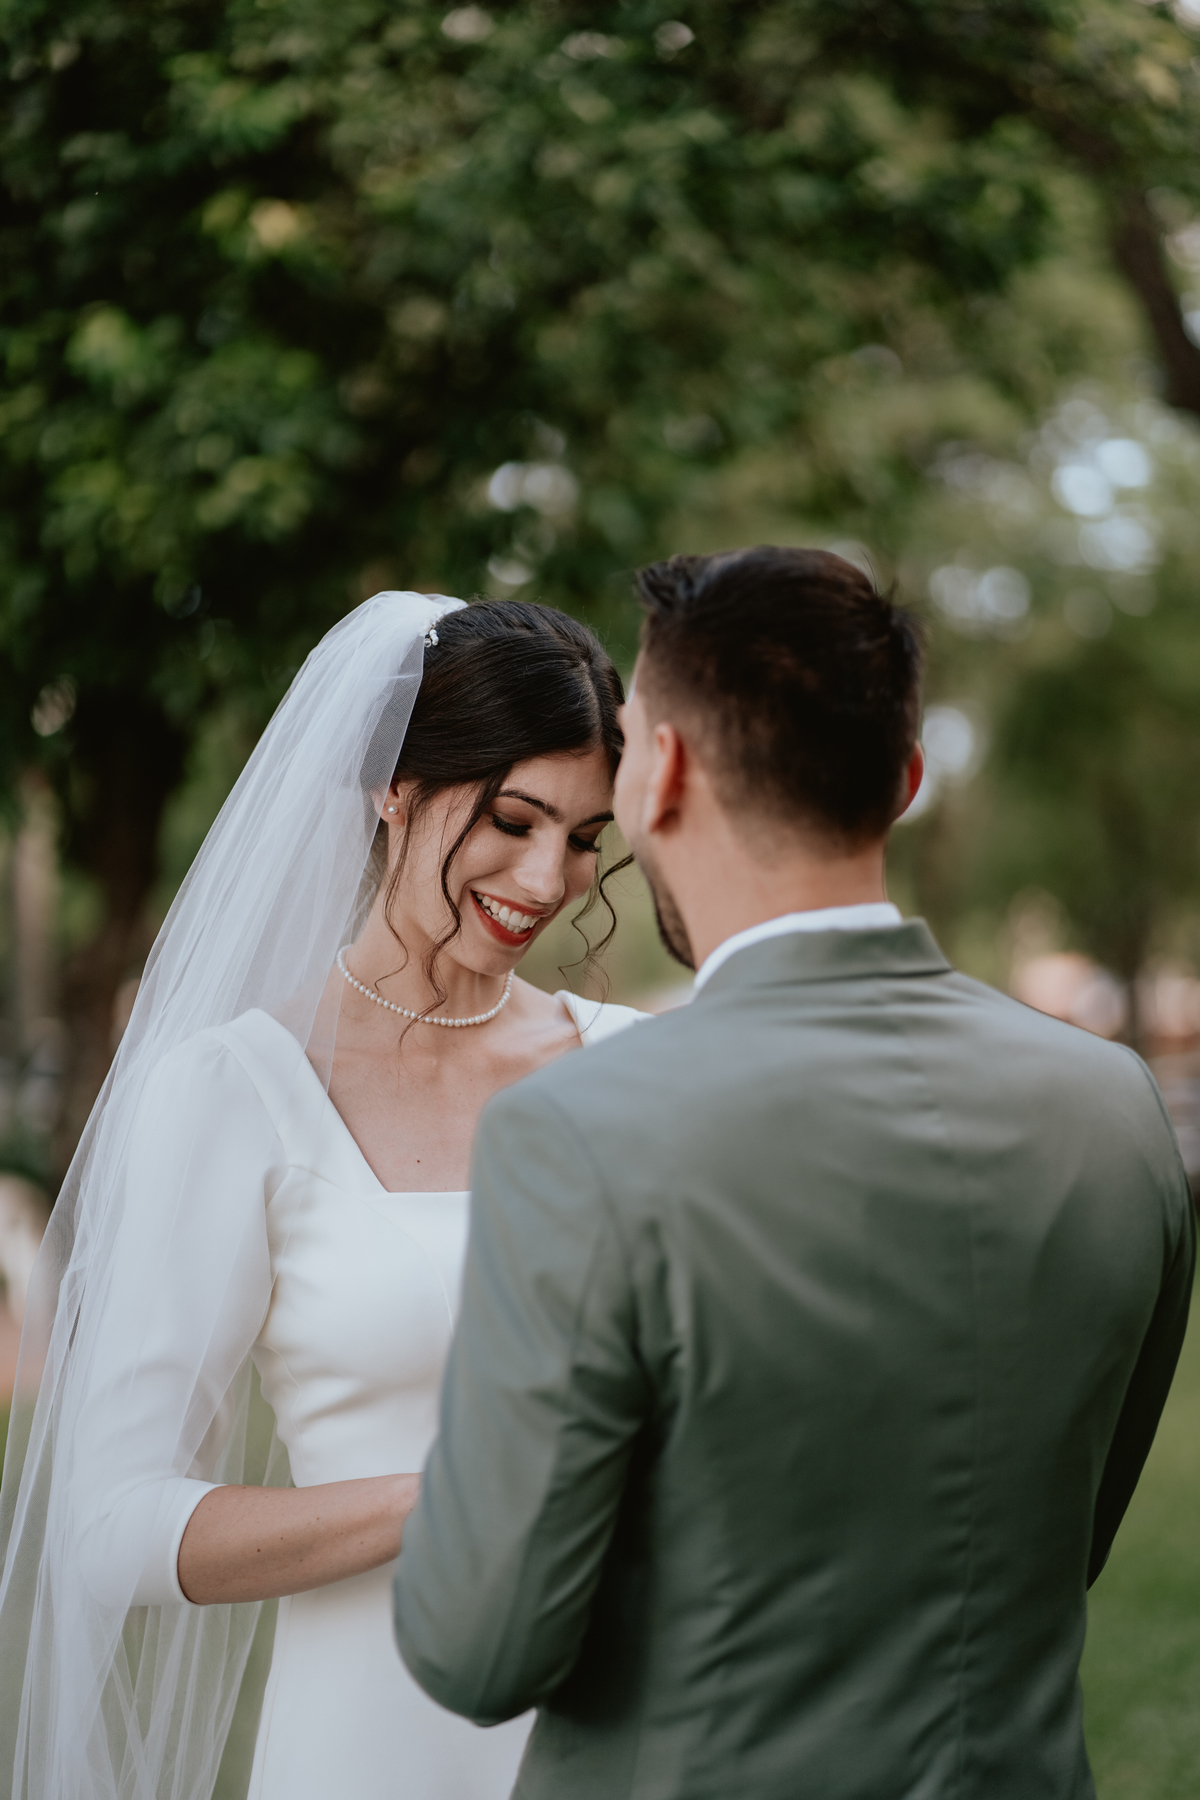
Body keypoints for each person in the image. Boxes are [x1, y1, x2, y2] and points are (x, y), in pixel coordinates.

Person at [394, 546, 1195, 1799]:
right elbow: (1063, 1542)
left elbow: (478, 1647)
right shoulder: (1116, 1111)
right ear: (908, 780)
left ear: (660, 771)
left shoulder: (585, 1130)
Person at [0, 591, 644, 1800]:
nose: (549, 877)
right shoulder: (234, 1093)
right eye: (512, 819)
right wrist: (455, 1494)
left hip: (630, 1729)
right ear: (391, 790)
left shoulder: (634, 1067)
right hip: (377, 1741)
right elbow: (109, 1527)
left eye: (585, 836)